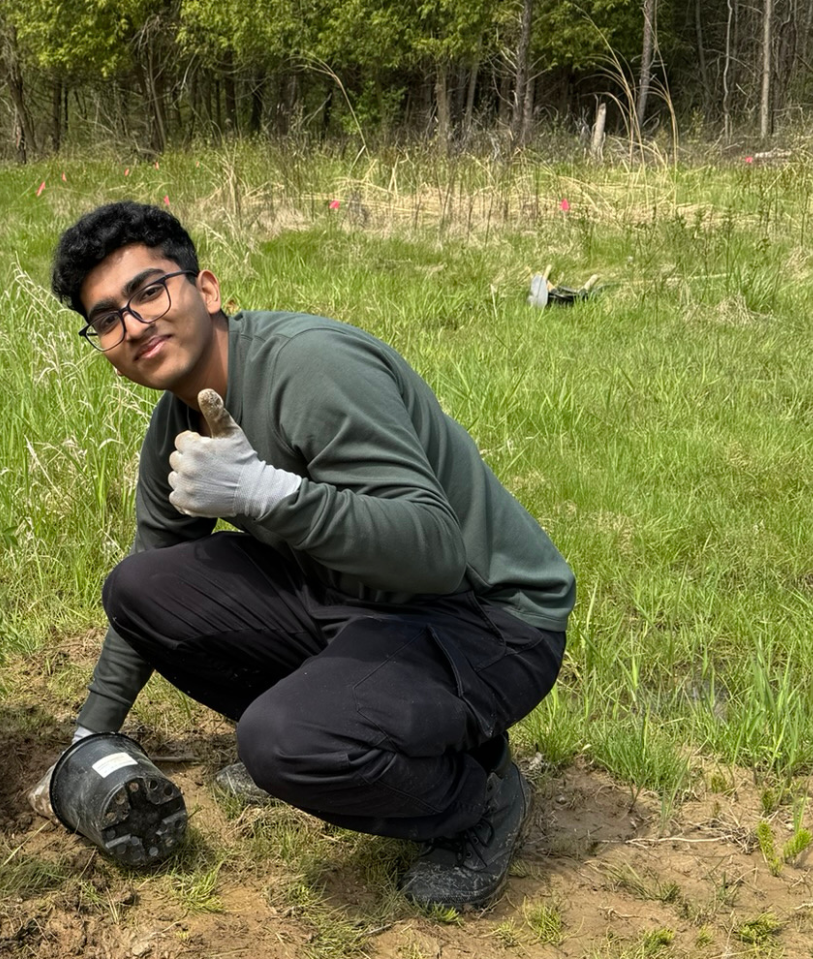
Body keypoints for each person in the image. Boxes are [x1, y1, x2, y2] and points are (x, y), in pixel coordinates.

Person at [39, 202, 575, 909]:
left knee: (283, 741)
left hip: (489, 620)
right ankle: (345, 713)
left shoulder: (309, 369)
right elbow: (147, 587)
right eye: (106, 317)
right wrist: (88, 741)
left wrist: (267, 494)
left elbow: (436, 553)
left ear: (206, 290)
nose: (134, 324)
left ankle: (480, 797)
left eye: (148, 291)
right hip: (364, 602)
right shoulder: (178, 418)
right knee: (140, 586)